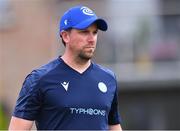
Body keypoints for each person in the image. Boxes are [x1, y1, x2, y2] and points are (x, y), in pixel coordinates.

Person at [9, 5, 122, 130]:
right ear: (65, 36)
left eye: (94, 32)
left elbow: (114, 126)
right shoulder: (39, 79)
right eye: (84, 32)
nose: (92, 39)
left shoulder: (108, 78)